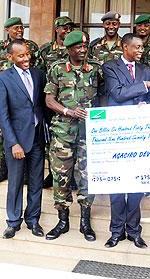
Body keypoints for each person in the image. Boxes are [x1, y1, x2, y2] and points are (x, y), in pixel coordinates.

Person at [102, 33, 150, 249]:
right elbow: (117, 94)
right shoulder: (110, 67)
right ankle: (116, 231)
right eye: (136, 47)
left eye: (142, 47)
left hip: (140, 135)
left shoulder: (146, 70)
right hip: (117, 134)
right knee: (117, 183)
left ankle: (134, 231)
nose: (140, 50)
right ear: (124, 47)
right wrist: (145, 85)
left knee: (137, 184)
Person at [44, 31, 104, 242]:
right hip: (63, 133)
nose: (82, 49)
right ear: (69, 49)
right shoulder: (57, 69)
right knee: (61, 177)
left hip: (88, 133)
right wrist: (68, 111)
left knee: (87, 176)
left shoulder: (96, 68)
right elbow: (49, 100)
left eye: (84, 46)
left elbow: (104, 97)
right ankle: (62, 220)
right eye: (78, 46)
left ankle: (85, 222)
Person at [0, 39, 46, 239]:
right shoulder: (2, 79)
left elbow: (41, 105)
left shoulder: (38, 75)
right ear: (10, 57)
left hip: (37, 138)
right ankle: (13, 222)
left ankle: (33, 220)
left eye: (27, 54)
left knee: (36, 182)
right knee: (15, 183)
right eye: (21, 55)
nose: (26, 58)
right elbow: (2, 115)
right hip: (16, 141)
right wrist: (13, 142)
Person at [0, 17, 41, 184]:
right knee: (4, 134)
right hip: (6, 92)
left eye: (21, 27)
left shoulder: (31, 46)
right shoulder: (0, 46)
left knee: (28, 136)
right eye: (15, 28)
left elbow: (37, 69)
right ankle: (3, 168)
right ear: (8, 30)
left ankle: (25, 173)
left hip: (25, 93)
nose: (19, 30)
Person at [39, 16, 75, 188]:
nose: (67, 30)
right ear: (56, 29)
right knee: (51, 140)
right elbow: (39, 75)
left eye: (70, 28)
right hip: (50, 101)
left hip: (70, 101)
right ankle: (53, 173)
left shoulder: (75, 49)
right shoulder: (46, 50)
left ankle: (72, 175)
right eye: (64, 28)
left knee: (70, 140)